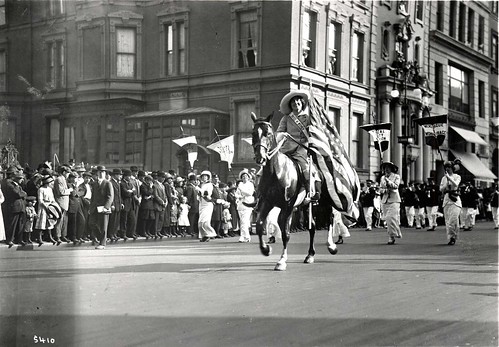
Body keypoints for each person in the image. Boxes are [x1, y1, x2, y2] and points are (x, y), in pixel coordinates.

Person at [276, 90, 320, 201]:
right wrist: (282, 134)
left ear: (301, 103)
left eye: (298, 102)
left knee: (306, 167)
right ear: (291, 105)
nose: (296, 104)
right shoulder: (286, 118)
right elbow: (279, 131)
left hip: (302, 147)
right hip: (287, 146)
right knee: (272, 163)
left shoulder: (308, 118)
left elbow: (314, 132)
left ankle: (310, 191)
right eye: (293, 103)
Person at [88, 166, 113, 249]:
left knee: (103, 226)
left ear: (105, 173)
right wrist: (90, 207)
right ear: (97, 173)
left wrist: (106, 207)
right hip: (95, 207)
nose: (101, 173)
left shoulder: (107, 183)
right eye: (99, 172)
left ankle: (102, 243)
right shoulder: (95, 184)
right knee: (91, 223)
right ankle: (100, 238)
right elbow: (93, 196)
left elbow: (110, 196)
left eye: (103, 172)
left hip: (103, 207)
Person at [439, 161, 462, 245]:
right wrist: (446, 183)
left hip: (455, 200)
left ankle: (454, 235)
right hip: (446, 200)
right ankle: (451, 237)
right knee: (448, 221)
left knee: (453, 219)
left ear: (452, 168)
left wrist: (449, 178)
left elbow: (456, 184)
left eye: (449, 167)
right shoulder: (443, 178)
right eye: (446, 167)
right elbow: (441, 189)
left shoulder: (457, 176)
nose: (447, 169)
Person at [379, 162, 402, 245]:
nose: (386, 169)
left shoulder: (396, 176)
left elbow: (396, 186)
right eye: (385, 167)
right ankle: (392, 236)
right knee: (387, 220)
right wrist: (384, 190)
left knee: (391, 217)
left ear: (391, 168)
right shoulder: (382, 178)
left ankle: (394, 234)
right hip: (385, 200)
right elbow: (380, 189)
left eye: (388, 167)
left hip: (394, 200)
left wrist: (389, 182)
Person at [35, 175, 58, 246]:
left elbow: (53, 198)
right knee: (41, 222)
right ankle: (39, 238)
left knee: (49, 222)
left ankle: (50, 237)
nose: (51, 183)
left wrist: (54, 205)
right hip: (43, 207)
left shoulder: (50, 189)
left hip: (50, 207)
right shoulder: (41, 189)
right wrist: (46, 206)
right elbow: (40, 200)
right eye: (50, 182)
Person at [53, 165, 73, 243]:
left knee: (64, 220)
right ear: (64, 172)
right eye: (67, 173)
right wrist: (69, 190)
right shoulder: (59, 179)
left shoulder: (64, 179)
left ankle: (63, 235)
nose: (68, 175)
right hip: (60, 202)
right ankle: (57, 236)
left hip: (64, 203)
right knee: (59, 221)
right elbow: (61, 192)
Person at [235, 169, 255, 243]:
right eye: (243, 176)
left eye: (246, 176)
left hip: (248, 204)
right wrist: (239, 196)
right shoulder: (240, 185)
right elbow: (236, 194)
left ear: (248, 177)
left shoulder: (250, 184)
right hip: (241, 204)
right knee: (243, 221)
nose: (244, 177)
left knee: (244, 221)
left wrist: (242, 191)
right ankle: (245, 236)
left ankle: (244, 236)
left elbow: (250, 193)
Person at [197, 170, 217, 242]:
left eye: (206, 176)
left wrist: (199, 190)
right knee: (203, 222)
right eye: (203, 176)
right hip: (202, 204)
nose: (204, 178)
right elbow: (199, 195)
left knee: (203, 221)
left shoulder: (209, 185)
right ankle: (205, 235)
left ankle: (211, 233)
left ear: (208, 178)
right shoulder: (202, 185)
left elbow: (207, 194)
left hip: (207, 204)